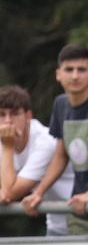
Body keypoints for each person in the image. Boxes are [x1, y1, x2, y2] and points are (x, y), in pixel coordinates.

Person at [22, 44, 88, 234]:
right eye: (69, 70)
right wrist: (38, 192)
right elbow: (61, 156)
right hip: (78, 209)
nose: (75, 76)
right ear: (58, 74)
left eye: (81, 70)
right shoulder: (60, 104)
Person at [0, 85, 74, 235]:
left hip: (82, 218)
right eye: (1, 114)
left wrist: (7, 147)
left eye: (15, 114)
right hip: (56, 223)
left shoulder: (46, 141)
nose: (7, 121)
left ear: (28, 116)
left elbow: (10, 193)